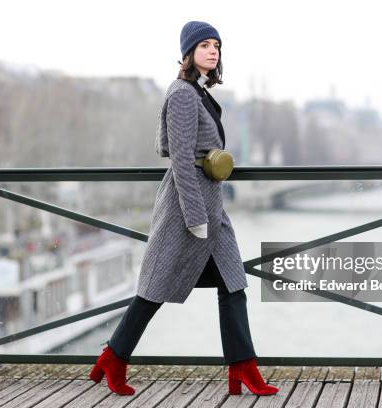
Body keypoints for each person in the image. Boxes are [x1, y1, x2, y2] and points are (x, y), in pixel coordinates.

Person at [89, 20, 278, 397]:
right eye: (205, 45)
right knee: (155, 289)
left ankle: (243, 367)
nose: (213, 51)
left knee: (233, 284)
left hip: (212, 205)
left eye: (217, 46)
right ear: (188, 53)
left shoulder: (199, 92)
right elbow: (177, 156)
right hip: (186, 206)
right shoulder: (182, 94)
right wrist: (194, 217)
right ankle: (114, 357)